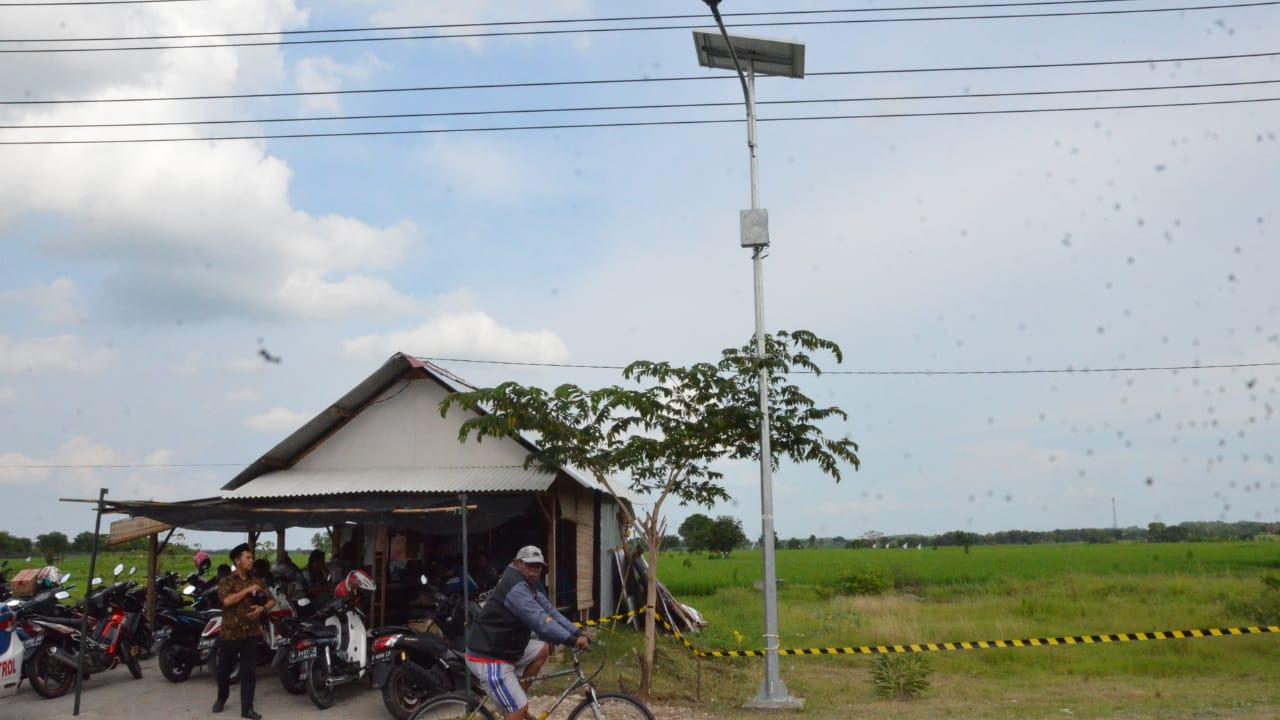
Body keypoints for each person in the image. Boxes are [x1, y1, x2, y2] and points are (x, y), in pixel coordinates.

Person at [466, 546, 589, 720]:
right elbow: (540, 622)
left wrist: (576, 631)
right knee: (519, 709)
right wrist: (572, 641)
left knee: (542, 650)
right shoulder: (516, 588)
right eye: (530, 565)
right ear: (518, 564)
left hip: (504, 647)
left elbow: (550, 612)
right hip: (488, 655)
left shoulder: (530, 584)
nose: (535, 570)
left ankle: (515, 700)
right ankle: (517, 708)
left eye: (538, 567)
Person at [214, 543, 273, 720]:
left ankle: (247, 708)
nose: (251, 561)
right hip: (230, 633)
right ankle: (221, 698)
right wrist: (247, 590)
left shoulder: (257, 580)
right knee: (224, 670)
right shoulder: (226, 581)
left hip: (250, 633)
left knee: (249, 672)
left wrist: (262, 610)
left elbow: (271, 600)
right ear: (237, 560)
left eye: (251, 557)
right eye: (248, 558)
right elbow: (226, 601)